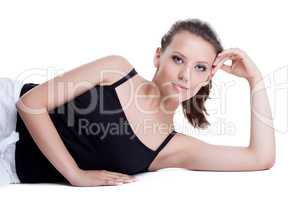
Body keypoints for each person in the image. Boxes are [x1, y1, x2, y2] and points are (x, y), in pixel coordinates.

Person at [0, 18, 275, 187]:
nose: (185, 75)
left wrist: (255, 79)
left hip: (11, 169)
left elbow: (260, 158)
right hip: (6, 108)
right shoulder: (117, 71)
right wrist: (76, 175)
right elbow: (29, 104)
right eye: (177, 59)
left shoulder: (173, 148)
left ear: (208, 78)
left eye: (200, 67)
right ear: (158, 57)